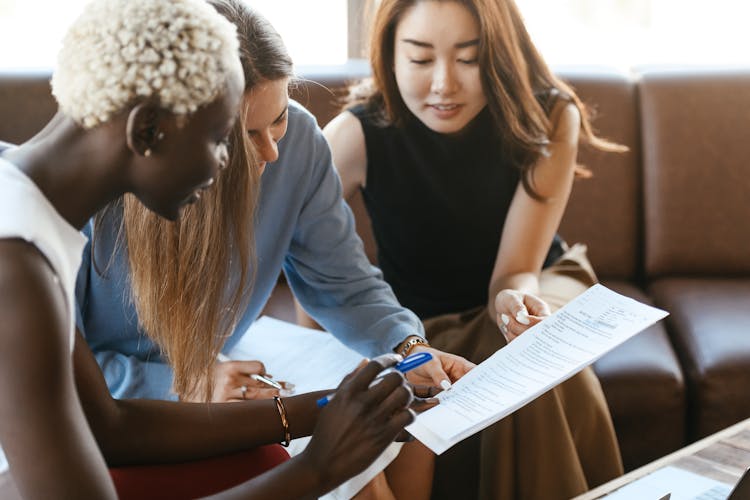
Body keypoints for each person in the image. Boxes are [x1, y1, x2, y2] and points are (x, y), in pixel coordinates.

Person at [0, 0, 416, 498]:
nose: (227, 164)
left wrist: (326, 410)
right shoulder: (16, 266)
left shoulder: (33, 217)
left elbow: (111, 428)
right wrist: (316, 469)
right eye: (223, 140)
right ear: (148, 131)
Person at [314, 0, 629, 498]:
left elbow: (516, 273)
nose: (444, 83)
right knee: (489, 365)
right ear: (389, 57)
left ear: (500, 54)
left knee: (530, 356)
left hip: (536, 284)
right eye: (420, 59)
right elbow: (305, 257)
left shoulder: (548, 116)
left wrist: (512, 306)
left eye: (468, 58)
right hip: (420, 320)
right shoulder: (355, 133)